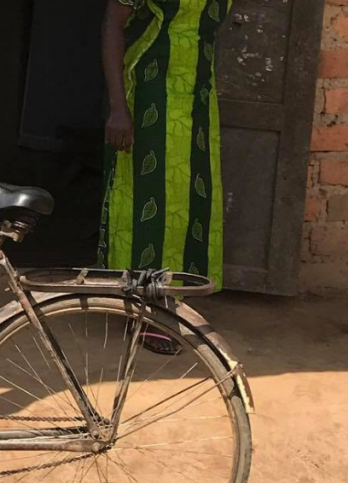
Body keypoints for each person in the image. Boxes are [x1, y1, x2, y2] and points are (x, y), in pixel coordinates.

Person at [100, 0, 230, 354]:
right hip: (148, 92)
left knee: (188, 199)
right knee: (145, 199)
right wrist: (118, 108)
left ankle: (169, 297)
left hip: (197, 95)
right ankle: (141, 307)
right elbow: (113, 24)